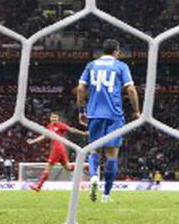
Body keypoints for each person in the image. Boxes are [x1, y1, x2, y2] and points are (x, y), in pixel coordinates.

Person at [76, 39, 140, 203]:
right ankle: (106, 195)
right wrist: (136, 111)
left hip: (94, 114)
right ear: (116, 51)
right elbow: (131, 89)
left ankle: (93, 177)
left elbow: (81, 88)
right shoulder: (121, 66)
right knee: (112, 155)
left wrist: (82, 110)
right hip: (114, 116)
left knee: (94, 150)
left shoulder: (91, 65)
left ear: (102, 51)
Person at [26, 112, 86, 192]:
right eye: (53, 117)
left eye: (56, 117)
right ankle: (84, 167)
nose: (54, 119)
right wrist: (33, 141)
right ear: (50, 118)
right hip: (60, 149)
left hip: (57, 149)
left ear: (58, 118)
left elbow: (71, 129)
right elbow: (44, 136)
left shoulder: (60, 125)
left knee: (48, 167)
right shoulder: (49, 126)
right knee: (68, 168)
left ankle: (38, 186)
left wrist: (83, 133)